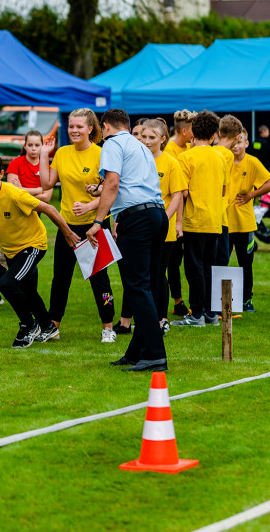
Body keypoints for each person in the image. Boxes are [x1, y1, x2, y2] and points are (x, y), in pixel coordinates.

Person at [87, 109, 169, 372]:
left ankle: (155, 355)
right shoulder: (140, 144)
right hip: (156, 214)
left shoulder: (112, 143)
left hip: (138, 219)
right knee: (148, 285)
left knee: (138, 287)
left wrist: (99, 221)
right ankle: (136, 351)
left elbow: (112, 183)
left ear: (106, 127)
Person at [0, 153, 80, 347]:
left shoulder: (15, 194)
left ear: (1, 174)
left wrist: (68, 234)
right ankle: (48, 327)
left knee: (7, 283)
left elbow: (50, 209)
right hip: (11, 250)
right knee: (27, 290)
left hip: (33, 245)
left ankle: (28, 325)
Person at [39, 108, 117, 342]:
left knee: (99, 278)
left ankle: (108, 328)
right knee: (60, 279)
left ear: (90, 129)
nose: (74, 130)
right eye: (71, 126)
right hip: (67, 226)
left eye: (79, 127)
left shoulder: (101, 154)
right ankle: (53, 327)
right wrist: (44, 154)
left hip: (94, 225)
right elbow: (46, 183)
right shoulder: (62, 153)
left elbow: (111, 188)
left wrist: (90, 206)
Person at [172, 110, 227, 328]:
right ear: (215, 135)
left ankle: (196, 315)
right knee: (209, 266)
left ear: (193, 132)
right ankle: (211, 313)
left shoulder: (186, 157)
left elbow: (182, 193)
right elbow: (223, 190)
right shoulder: (220, 157)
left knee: (194, 267)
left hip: (194, 220)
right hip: (214, 219)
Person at [0, 130, 53, 308]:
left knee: (29, 258)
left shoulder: (46, 166)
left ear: (42, 146)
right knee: (4, 256)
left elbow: (47, 198)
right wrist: (39, 190)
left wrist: (25, 190)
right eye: (29, 145)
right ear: (24, 146)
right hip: (12, 217)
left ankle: (28, 296)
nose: (33, 148)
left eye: (37, 145)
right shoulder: (16, 163)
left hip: (32, 220)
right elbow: (11, 191)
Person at [139, 119, 187, 331]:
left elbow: (178, 195)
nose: (146, 141)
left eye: (151, 137)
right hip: (140, 227)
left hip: (162, 229)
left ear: (162, 139)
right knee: (144, 274)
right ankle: (146, 317)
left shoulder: (170, 162)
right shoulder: (137, 160)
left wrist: (168, 220)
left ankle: (162, 319)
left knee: (159, 274)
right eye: (143, 137)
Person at [229, 129, 270, 313]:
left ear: (247, 144)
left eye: (240, 141)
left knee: (245, 264)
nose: (236, 145)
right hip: (223, 222)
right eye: (233, 141)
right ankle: (217, 302)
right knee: (220, 262)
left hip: (244, 224)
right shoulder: (223, 160)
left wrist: (251, 195)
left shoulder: (252, 162)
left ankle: (246, 300)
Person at [165, 109, 196, 316]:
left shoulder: (189, 147)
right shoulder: (170, 151)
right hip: (174, 216)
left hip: (191, 216)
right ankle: (178, 302)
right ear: (184, 131)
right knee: (173, 262)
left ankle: (193, 302)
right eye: (193, 129)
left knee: (189, 262)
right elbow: (181, 191)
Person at [213, 115, 242, 267]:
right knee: (221, 260)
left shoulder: (211, 151)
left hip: (208, 214)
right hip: (220, 216)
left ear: (219, 133)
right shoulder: (228, 155)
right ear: (237, 137)